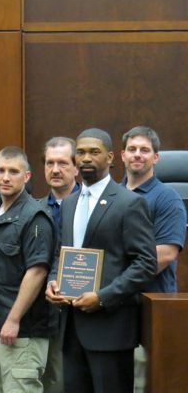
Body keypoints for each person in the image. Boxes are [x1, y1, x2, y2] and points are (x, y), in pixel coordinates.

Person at [45, 128, 157, 393]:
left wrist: (104, 297)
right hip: (72, 329)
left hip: (111, 328)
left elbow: (145, 263)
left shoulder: (129, 204)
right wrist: (53, 281)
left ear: (109, 158)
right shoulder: (70, 203)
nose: (85, 158)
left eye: (94, 152)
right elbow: (62, 253)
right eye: (80, 152)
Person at [0, 147, 56, 393]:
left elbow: (37, 272)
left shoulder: (36, 217)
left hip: (21, 331)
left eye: (13, 171)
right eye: (0, 170)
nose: (5, 177)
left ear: (26, 176)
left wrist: (14, 319)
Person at [120, 126, 187, 393]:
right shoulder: (108, 196)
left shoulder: (167, 198)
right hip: (111, 311)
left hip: (149, 310)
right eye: (132, 149)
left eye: (145, 150)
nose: (138, 155)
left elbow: (166, 253)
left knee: (142, 383)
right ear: (122, 155)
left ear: (156, 158)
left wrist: (113, 275)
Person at [38, 136, 79, 393]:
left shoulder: (93, 206)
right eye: (49, 163)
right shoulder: (33, 209)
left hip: (86, 308)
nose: (55, 170)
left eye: (63, 163)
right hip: (45, 311)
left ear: (76, 167)